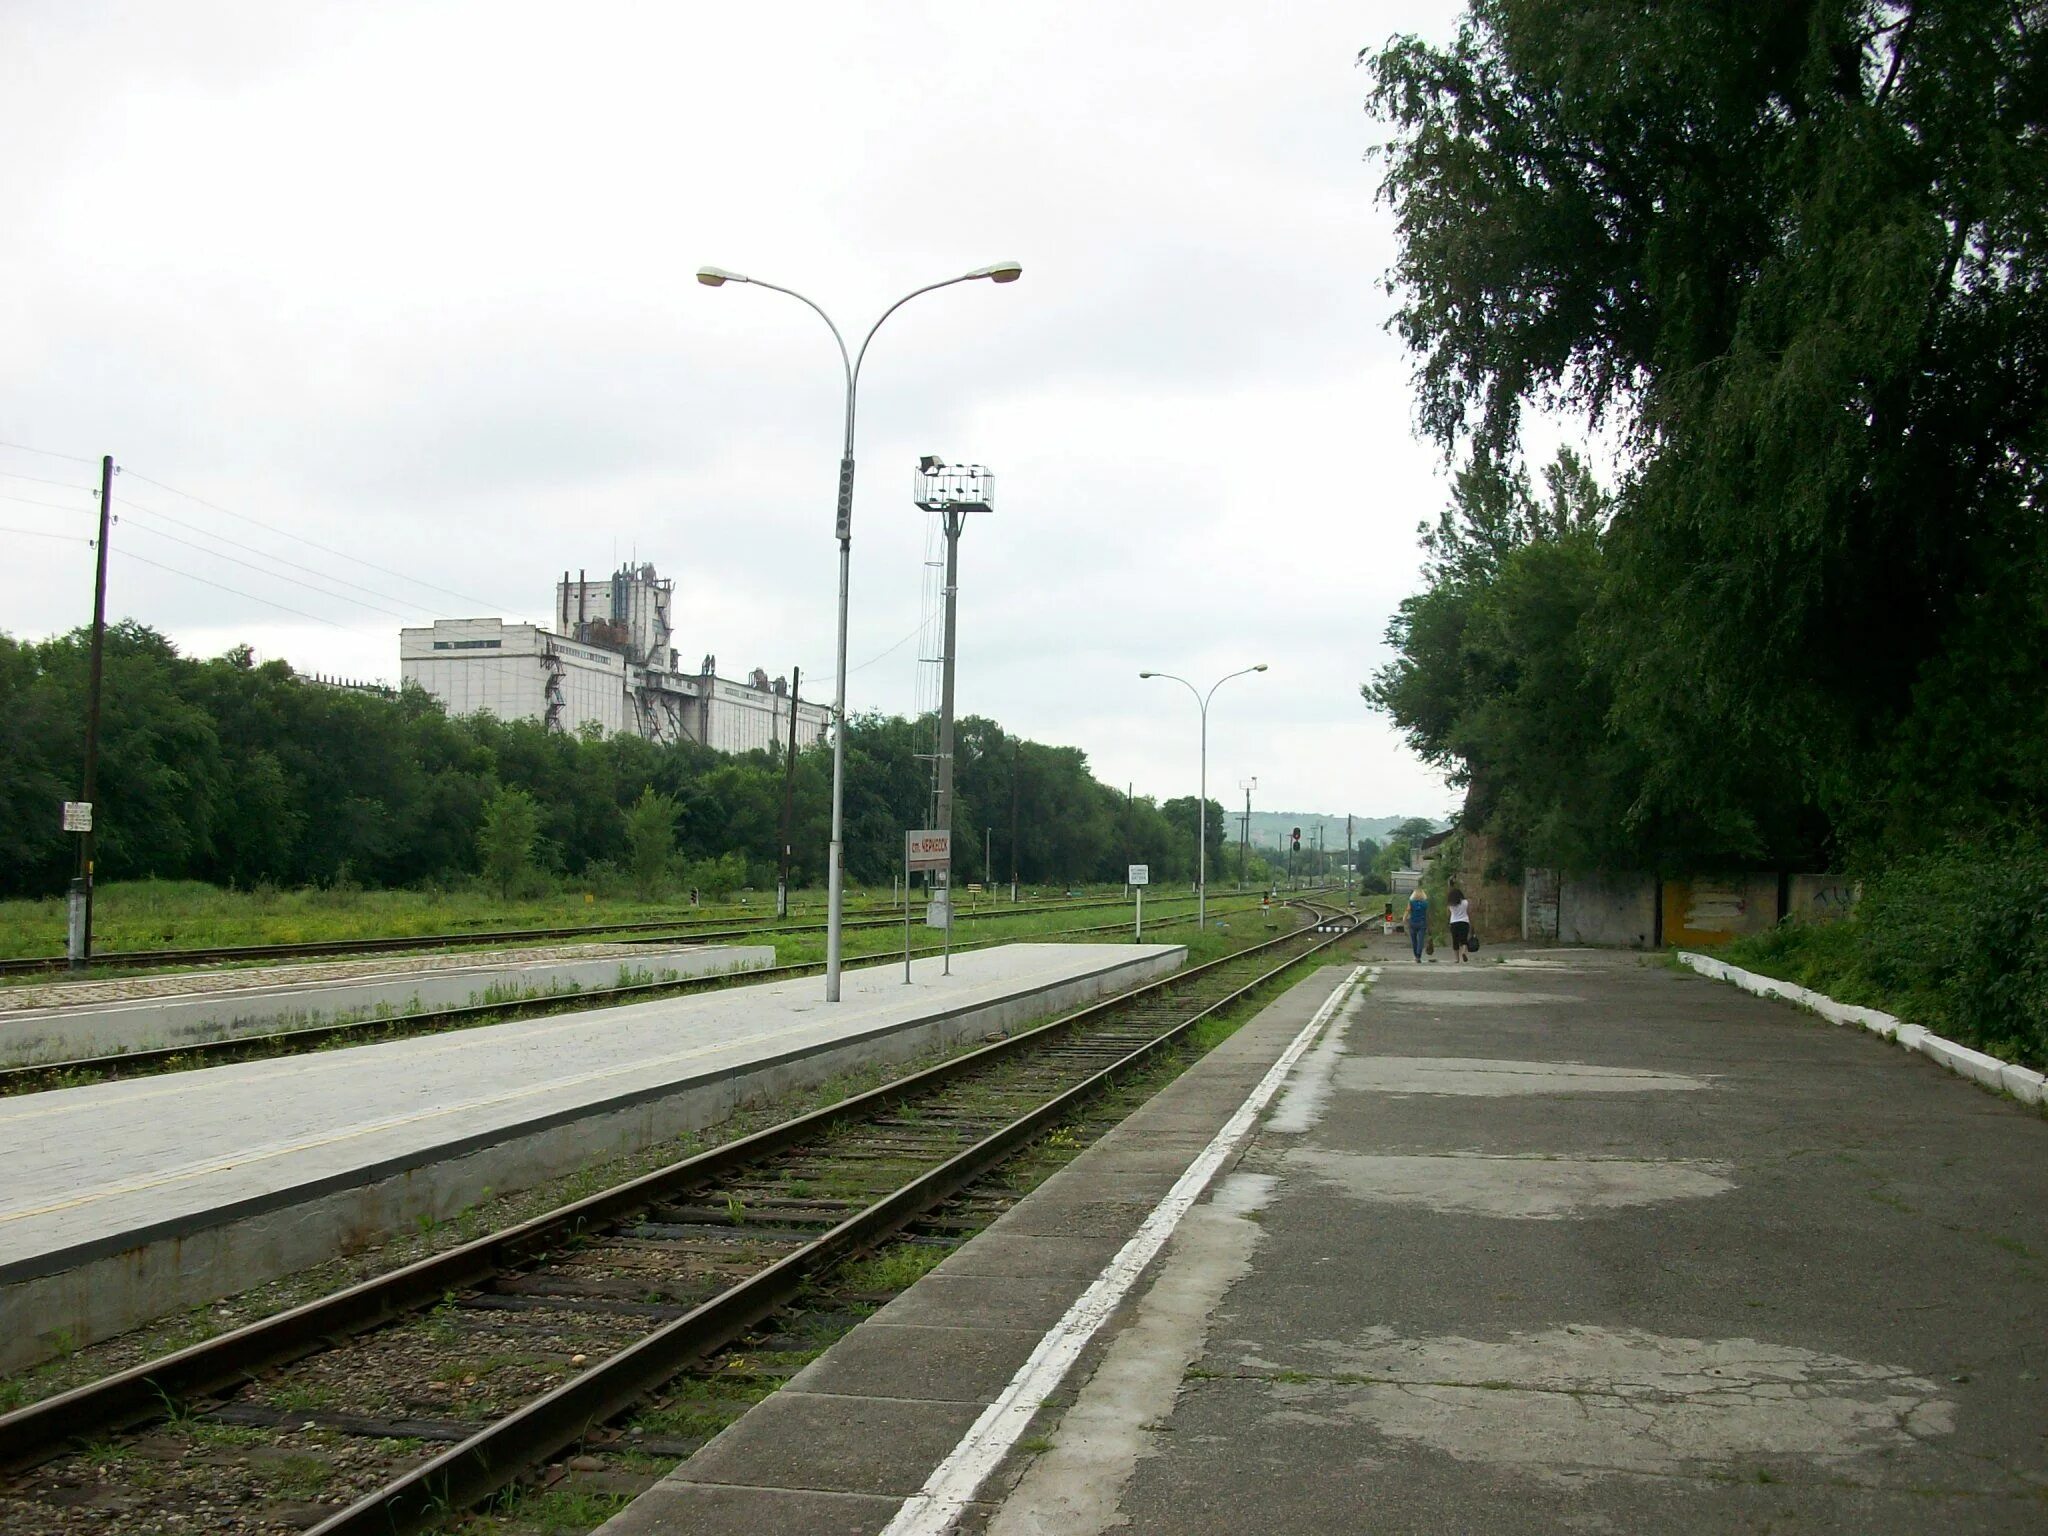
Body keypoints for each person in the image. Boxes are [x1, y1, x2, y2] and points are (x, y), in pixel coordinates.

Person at [1448, 885, 1472, 963]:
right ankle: (1464, 952)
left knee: (1455, 941)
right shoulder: (1465, 902)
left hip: (1454, 922)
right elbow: (1468, 911)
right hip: (1464, 921)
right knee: (1464, 939)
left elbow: (1449, 912)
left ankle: (1456, 959)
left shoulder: (1451, 904)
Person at [1406, 887, 1428, 963]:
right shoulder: (1425, 903)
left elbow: (1408, 910)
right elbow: (1427, 914)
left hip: (1413, 922)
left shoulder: (1411, 902)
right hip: (1422, 922)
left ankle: (1416, 956)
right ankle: (1418, 956)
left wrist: (1404, 918)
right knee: (1420, 940)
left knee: (1414, 940)